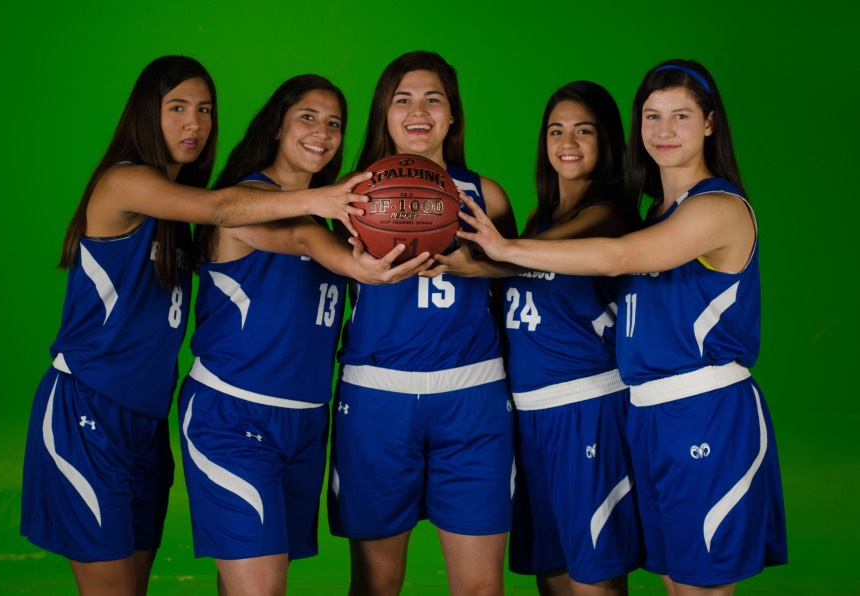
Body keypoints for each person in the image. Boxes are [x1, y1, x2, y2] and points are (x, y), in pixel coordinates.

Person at [20, 56, 375, 596]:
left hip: (145, 422)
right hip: (86, 407)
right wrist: (324, 197)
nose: (195, 123)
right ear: (146, 113)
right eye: (177, 108)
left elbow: (281, 231)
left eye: (205, 110)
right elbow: (222, 208)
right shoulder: (125, 183)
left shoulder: (179, 213)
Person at [452, 60, 787, 596]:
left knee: (698, 587)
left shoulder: (717, 207)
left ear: (709, 123)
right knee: (675, 583)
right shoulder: (659, 210)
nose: (664, 130)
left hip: (705, 409)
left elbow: (615, 256)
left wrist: (502, 247)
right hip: (648, 413)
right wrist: (476, 265)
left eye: (681, 116)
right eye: (652, 116)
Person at [178, 74, 430, 596]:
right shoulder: (245, 199)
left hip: (305, 423)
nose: (323, 132)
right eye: (308, 118)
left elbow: (327, 237)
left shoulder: (337, 215)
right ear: (277, 127)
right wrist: (359, 264)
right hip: (233, 415)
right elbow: (300, 236)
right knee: (261, 586)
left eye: (335, 123)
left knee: (253, 578)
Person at [427, 81, 642, 595]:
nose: (567, 142)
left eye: (583, 130)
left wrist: (481, 260)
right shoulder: (541, 218)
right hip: (531, 414)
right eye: (556, 131)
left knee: (593, 574)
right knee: (553, 571)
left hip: (587, 407)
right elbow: (517, 256)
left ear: (608, 141)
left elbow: (524, 254)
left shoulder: (610, 213)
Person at [326, 50, 517, 595]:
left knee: (481, 587)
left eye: (434, 99)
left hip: (473, 394)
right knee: (376, 585)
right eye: (402, 99)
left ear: (453, 115)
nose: (418, 111)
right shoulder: (350, 196)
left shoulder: (486, 193)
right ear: (383, 114)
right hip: (376, 397)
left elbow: (516, 279)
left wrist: (470, 264)